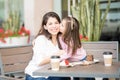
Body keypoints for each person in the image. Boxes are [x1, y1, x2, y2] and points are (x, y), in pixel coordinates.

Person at [25, 12, 67, 80]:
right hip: (36, 75)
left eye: (56, 23)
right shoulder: (41, 39)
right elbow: (39, 62)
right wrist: (56, 55)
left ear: (60, 24)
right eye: (50, 24)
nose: (54, 26)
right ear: (45, 27)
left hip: (51, 73)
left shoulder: (61, 39)